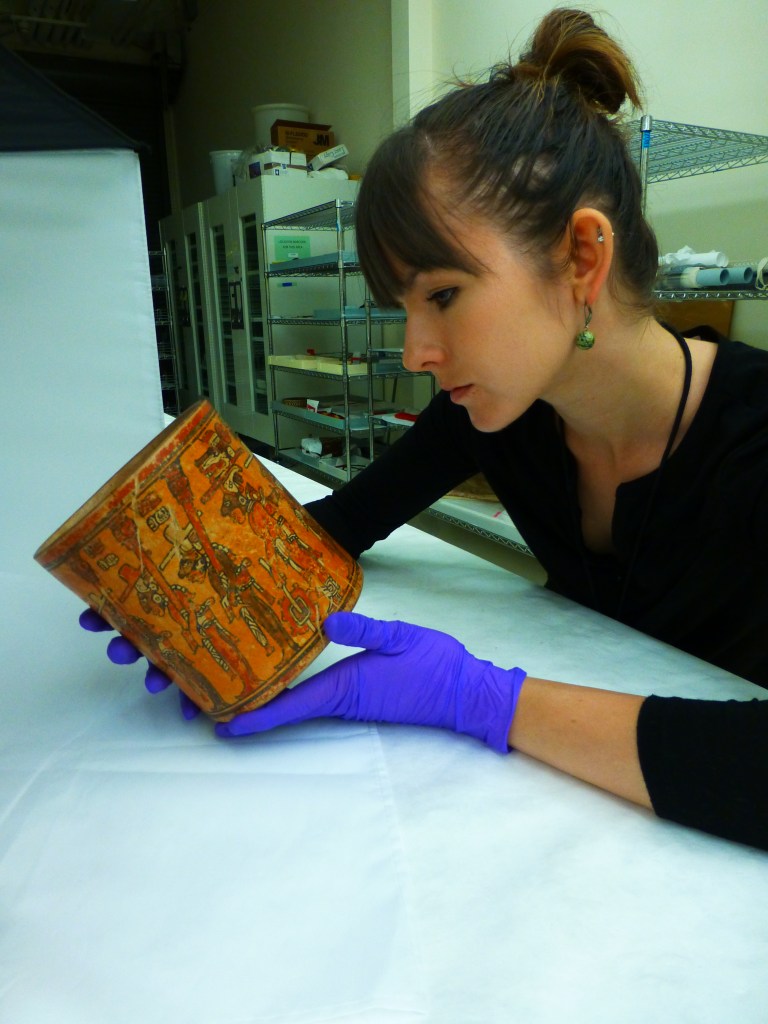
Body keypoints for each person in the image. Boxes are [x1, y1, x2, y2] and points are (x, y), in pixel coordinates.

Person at [83, 8, 768, 850]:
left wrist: (484, 698)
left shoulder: (754, 438)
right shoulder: (500, 416)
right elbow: (345, 521)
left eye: (442, 295)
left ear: (583, 257)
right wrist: (208, 576)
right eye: (403, 309)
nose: (416, 353)